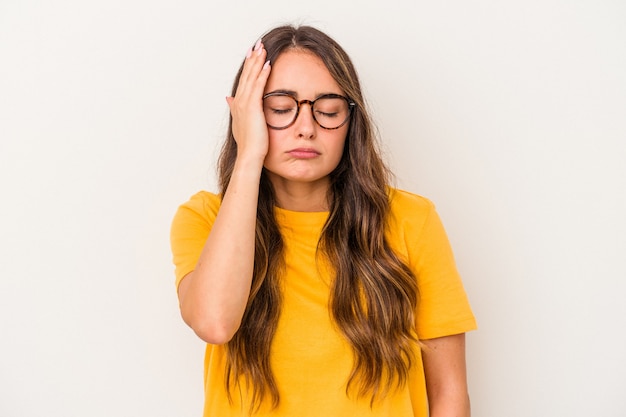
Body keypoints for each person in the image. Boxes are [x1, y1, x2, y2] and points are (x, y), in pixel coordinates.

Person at [170, 25, 477, 417]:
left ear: (351, 122)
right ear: (247, 115)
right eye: (280, 109)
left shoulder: (411, 220)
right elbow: (213, 323)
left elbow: (449, 391)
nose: (306, 127)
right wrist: (248, 156)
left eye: (328, 111)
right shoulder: (203, 218)